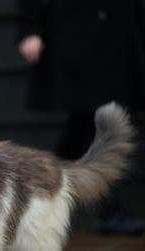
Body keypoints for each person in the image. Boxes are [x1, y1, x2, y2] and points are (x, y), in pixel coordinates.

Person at [17, 0, 145, 234]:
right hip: (78, 40)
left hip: (120, 38)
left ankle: (37, 201)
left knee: (83, 130)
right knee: (91, 125)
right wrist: (30, 29)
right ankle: (110, 209)